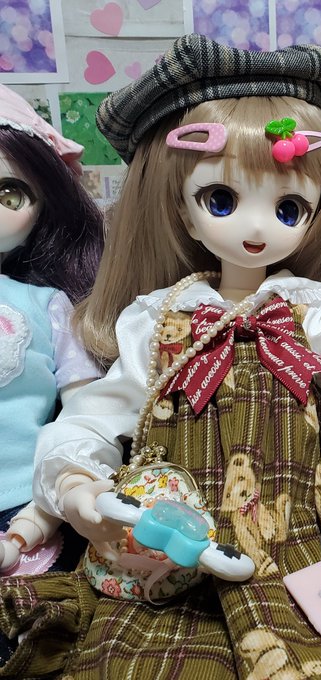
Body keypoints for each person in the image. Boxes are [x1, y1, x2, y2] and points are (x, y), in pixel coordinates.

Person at [0, 36, 321, 679]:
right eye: (222, 200)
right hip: (175, 540)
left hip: (293, 532)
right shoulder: (157, 317)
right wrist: (75, 482)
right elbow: (102, 410)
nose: (257, 228)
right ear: (181, 207)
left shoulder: (304, 308)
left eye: (289, 207)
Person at [0, 84, 104, 576]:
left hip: (25, 504)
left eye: (10, 194)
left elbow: (84, 408)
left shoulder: (47, 305)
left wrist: (67, 486)